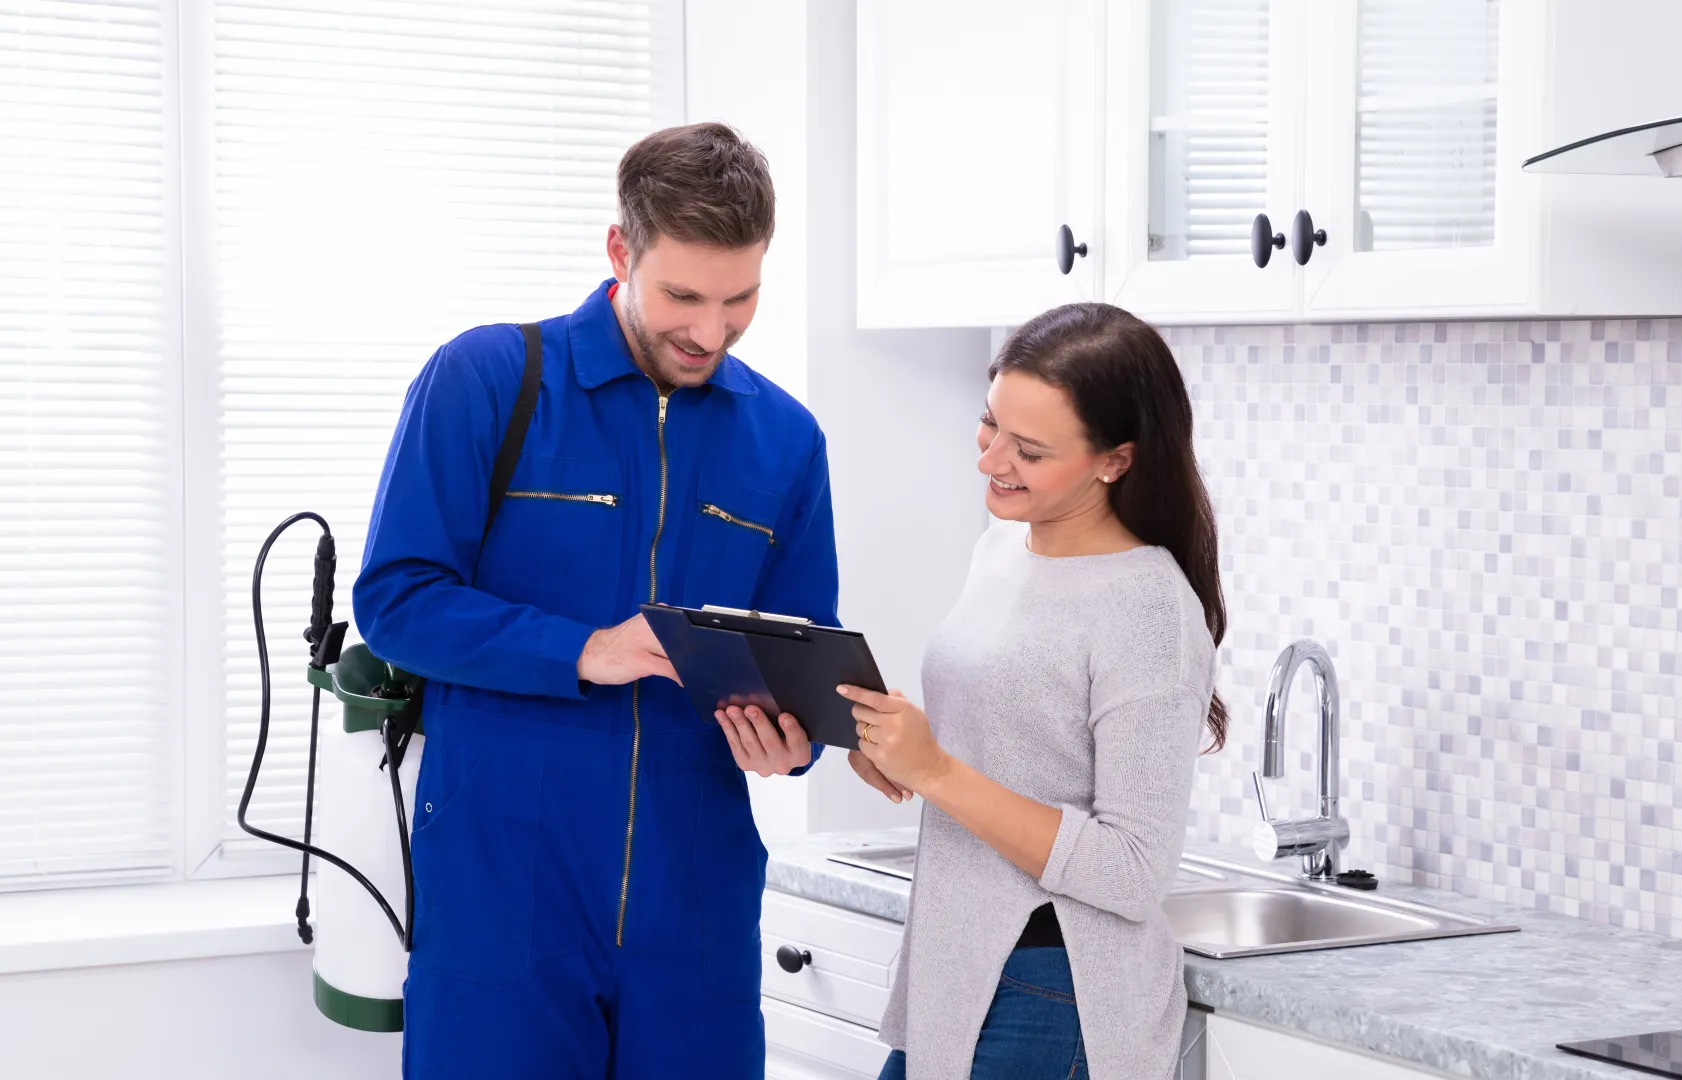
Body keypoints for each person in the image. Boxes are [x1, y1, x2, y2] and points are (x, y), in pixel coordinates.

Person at [354, 123, 873, 1080]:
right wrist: (583, 650)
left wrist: (793, 744)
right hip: (504, 892)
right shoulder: (488, 380)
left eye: (741, 298)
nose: (710, 332)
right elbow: (396, 601)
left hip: (697, 901)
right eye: (682, 295)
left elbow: (800, 660)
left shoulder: (786, 441)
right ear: (620, 252)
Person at [841, 303, 1229, 1080]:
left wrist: (939, 773)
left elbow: (1131, 868)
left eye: (1029, 449)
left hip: (1053, 983)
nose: (991, 462)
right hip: (954, 963)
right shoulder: (1000, 550)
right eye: (989, 426)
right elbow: (1011, 753)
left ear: (1115, 460)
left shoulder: (1147, 606)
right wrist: (902, 753)